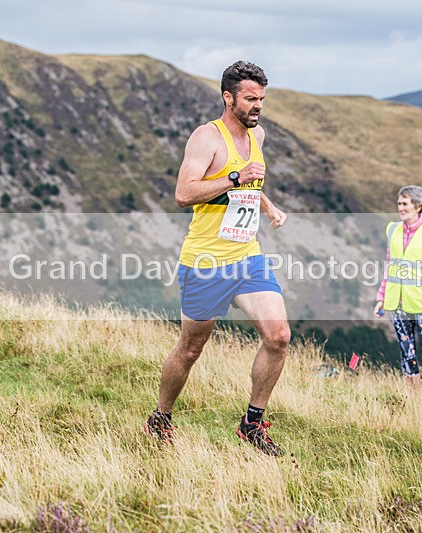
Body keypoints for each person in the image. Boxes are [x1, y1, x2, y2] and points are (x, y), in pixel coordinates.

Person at [144, 61, 290, 457]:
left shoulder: (257, 133)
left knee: (278, 337)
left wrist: (268, 206)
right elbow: (184, 193)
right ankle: (161, 417)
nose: (258, 106)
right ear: (228, 98)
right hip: (206, 260)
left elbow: (251, 181)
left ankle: (252, 425)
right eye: (250, 98)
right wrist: (233, 179)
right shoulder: (206, 137)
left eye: (261, 98)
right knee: (191, 349)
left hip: (246, 257)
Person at [373, 185, 422, 401]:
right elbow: (390, 266)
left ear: (418, 206)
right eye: (399, 203)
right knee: (406, 352)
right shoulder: (393, 230)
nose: (400, 208)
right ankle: (412, 401)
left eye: (405, 204)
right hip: (397, 303)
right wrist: (381, 297)